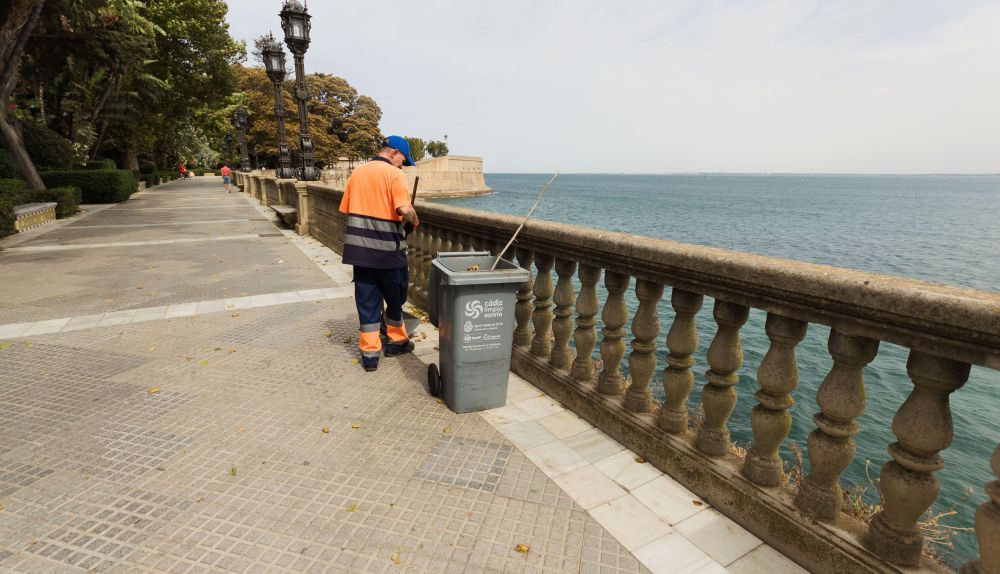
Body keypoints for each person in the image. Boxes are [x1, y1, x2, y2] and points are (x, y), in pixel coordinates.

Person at [338, 135, 419, 372]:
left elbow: (347, 209)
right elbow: (404, 209)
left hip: (359, 252)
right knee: (396, 299)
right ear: (394, 152)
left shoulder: (358, 172)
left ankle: (370, 356)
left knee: (367, 303)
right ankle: (396, 343)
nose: (402, 165)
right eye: (403, 159)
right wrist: (413, 220)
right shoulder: (395, 175)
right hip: (388, 252)